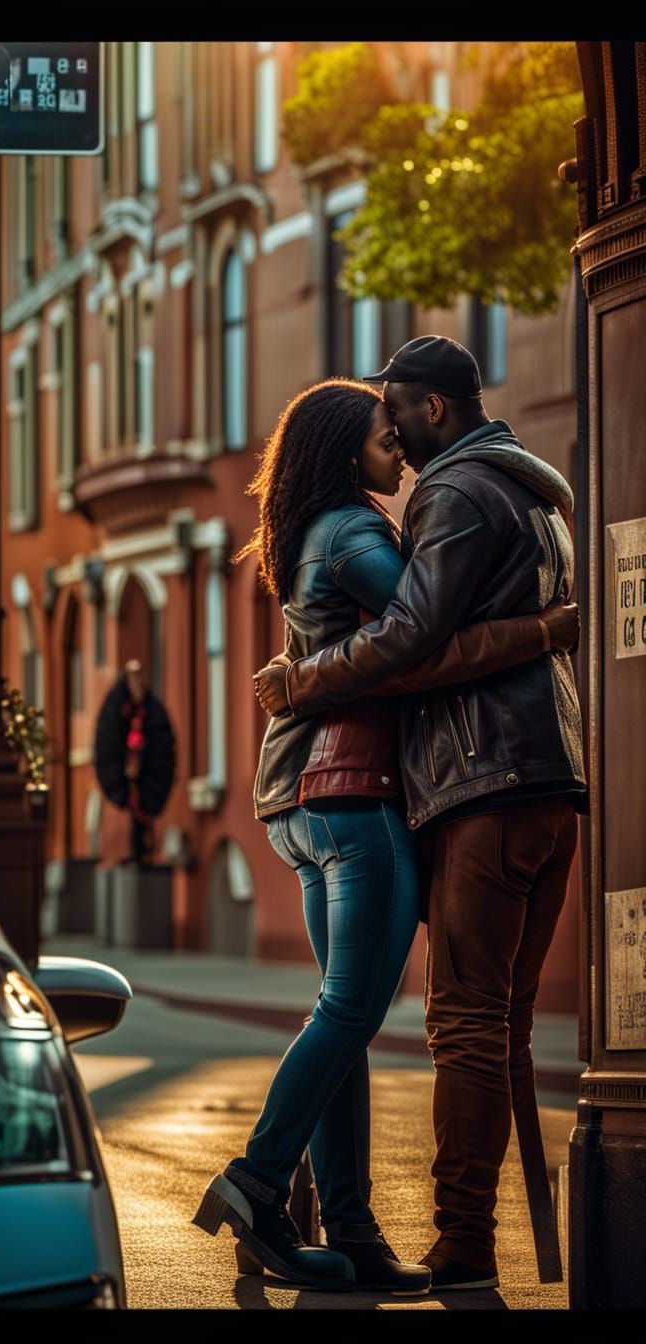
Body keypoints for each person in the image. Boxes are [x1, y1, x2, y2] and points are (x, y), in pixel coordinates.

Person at [192, 376, 580, 1294]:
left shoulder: (315, 532)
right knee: (353, 1010)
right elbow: (419, 638)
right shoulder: (356, 533)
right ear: (342, 450)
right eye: (381, 436)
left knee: (343, 1013)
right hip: (352, 795)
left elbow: (377, 640)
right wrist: (541, 630)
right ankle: (257, 1180)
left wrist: (303, 672)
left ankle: (354, 1232)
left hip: (303, 801)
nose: (397, 449)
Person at [93, 660, 176, 866]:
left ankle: (144, 851)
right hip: (125, 779)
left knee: (142, 814)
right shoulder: (116, 708)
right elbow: (108, 740)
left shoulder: (151, 710)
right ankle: (133, 851)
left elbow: (162, 744)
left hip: (146, 778)